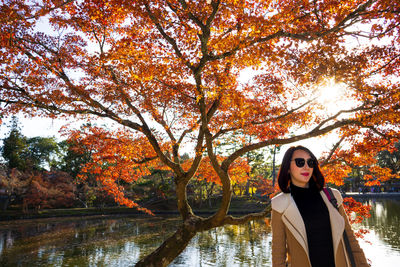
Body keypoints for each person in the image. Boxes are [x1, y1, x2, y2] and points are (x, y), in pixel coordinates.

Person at [271, 145, 369, 267]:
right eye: (300, 162)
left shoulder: (332, 196)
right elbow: (278, 253)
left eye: (310, 162)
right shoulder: (279, 204)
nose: (306, 167)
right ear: (288, 168)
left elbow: (350, 239)